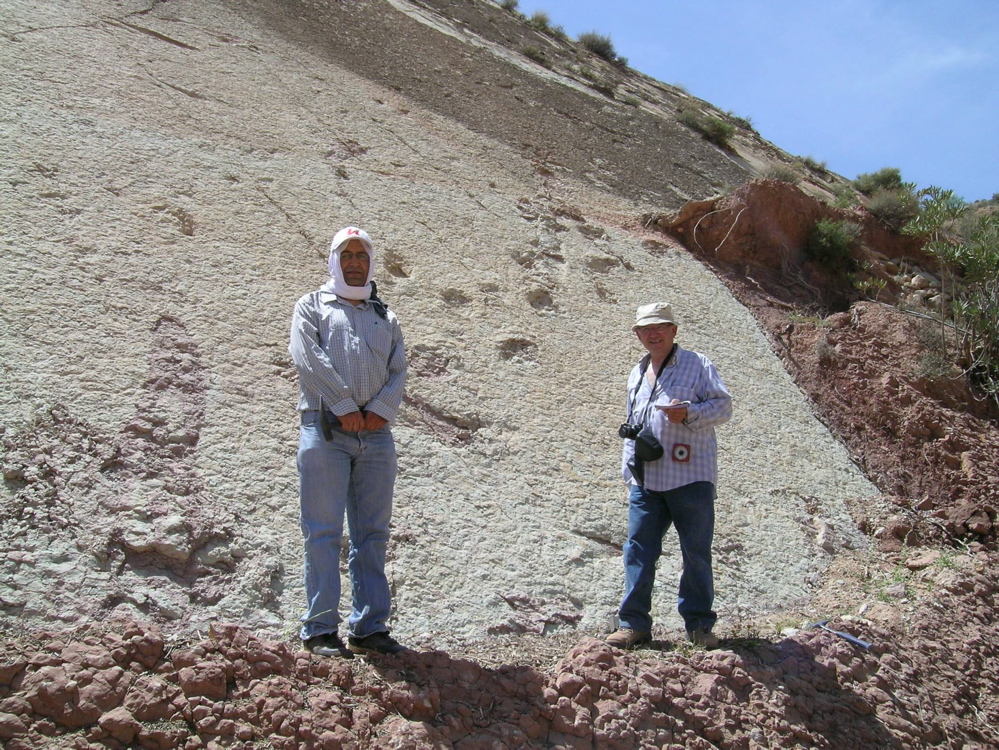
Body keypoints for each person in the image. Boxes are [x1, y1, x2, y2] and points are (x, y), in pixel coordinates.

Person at [288, 226, 408, 658]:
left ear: (371, 262)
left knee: (372, 534)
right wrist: (344, 406)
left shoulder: (384, 315)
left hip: (376, 436)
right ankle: (320, 628)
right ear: (334, 260)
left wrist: (380, 410)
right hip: (325, 432)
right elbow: (307, 358)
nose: (354, 262)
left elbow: (399, 369)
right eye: (346, 254)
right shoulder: (312, 307)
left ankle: (370, 626)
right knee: (322, 534)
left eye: (361, 255)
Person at [606, 302, 732, 650]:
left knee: (695, 552)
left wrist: (688, 413)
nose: (653, 333)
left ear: (674, 330)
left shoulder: (698, 364)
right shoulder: (637, 371)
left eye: (660, 326)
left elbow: (723, 407)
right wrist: (629, 470)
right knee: (638, 551)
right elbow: (634, 425)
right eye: (646, 328)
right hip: (646, 477)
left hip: (691, 475)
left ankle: (699, 627)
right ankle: (634, 625)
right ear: (637, 335)